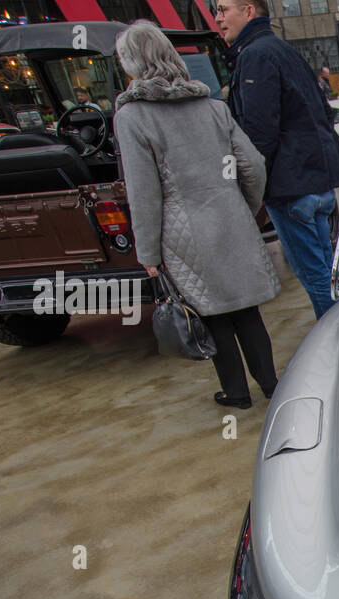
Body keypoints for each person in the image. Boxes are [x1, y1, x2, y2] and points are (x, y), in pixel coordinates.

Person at [114, 21, 280, 410]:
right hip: (230, 215)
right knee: (246, 309)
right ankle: (272, 385)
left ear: (133, 63)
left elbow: (144, 192)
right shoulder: (212, 107)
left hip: (181, 229)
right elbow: (252, 165)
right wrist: (245, 205)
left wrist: (148, 252)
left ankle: (237, 393)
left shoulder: (133, 117)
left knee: (212, 312)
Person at [215, 0, 339, 319]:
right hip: (314, 183)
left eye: (224, 9)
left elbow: (259, 134)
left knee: (318, 279)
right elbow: (321, 112)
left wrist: (248, 187)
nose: (218, 18)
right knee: (328, 274)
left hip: (292, 188)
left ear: (249, 11)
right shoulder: (280, 50)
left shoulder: (255, 56)